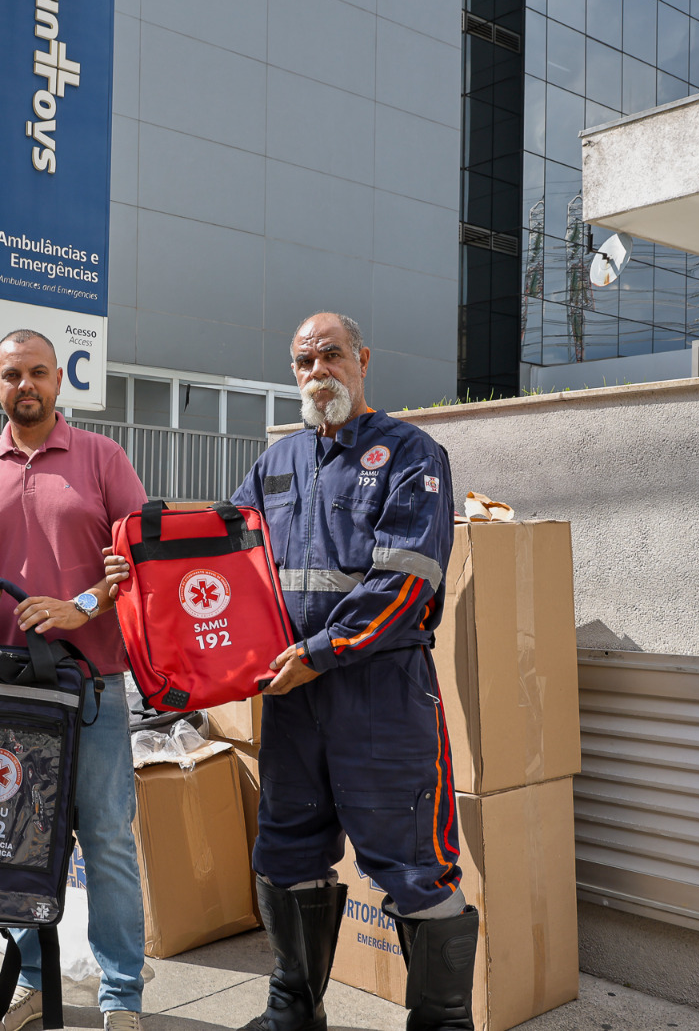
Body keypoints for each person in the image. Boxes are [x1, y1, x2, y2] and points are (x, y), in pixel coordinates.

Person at [228, 312, 473, 1031]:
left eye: (331, 356)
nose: (317, 372)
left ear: (362, 360)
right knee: (286, 848)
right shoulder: (275, 464)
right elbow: (226, 559)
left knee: (416, 868)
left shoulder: (411, 455)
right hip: (294, 700)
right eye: (304, 361)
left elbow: (408, 579)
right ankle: (293, 1009)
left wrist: (321, 651)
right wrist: (145, 563)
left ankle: (442, 1024)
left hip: (380, 699)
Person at [0, 329, 149, 1031]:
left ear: (59, 380)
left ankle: (122, 996)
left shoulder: (101, 458)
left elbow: (136, 560)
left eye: (36, 372)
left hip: (90, 686)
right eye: (10, 375)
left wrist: (79, 605)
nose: (24, 385)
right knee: (17, 836)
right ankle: (33, 978)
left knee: (108, 839)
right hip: (5, 689)